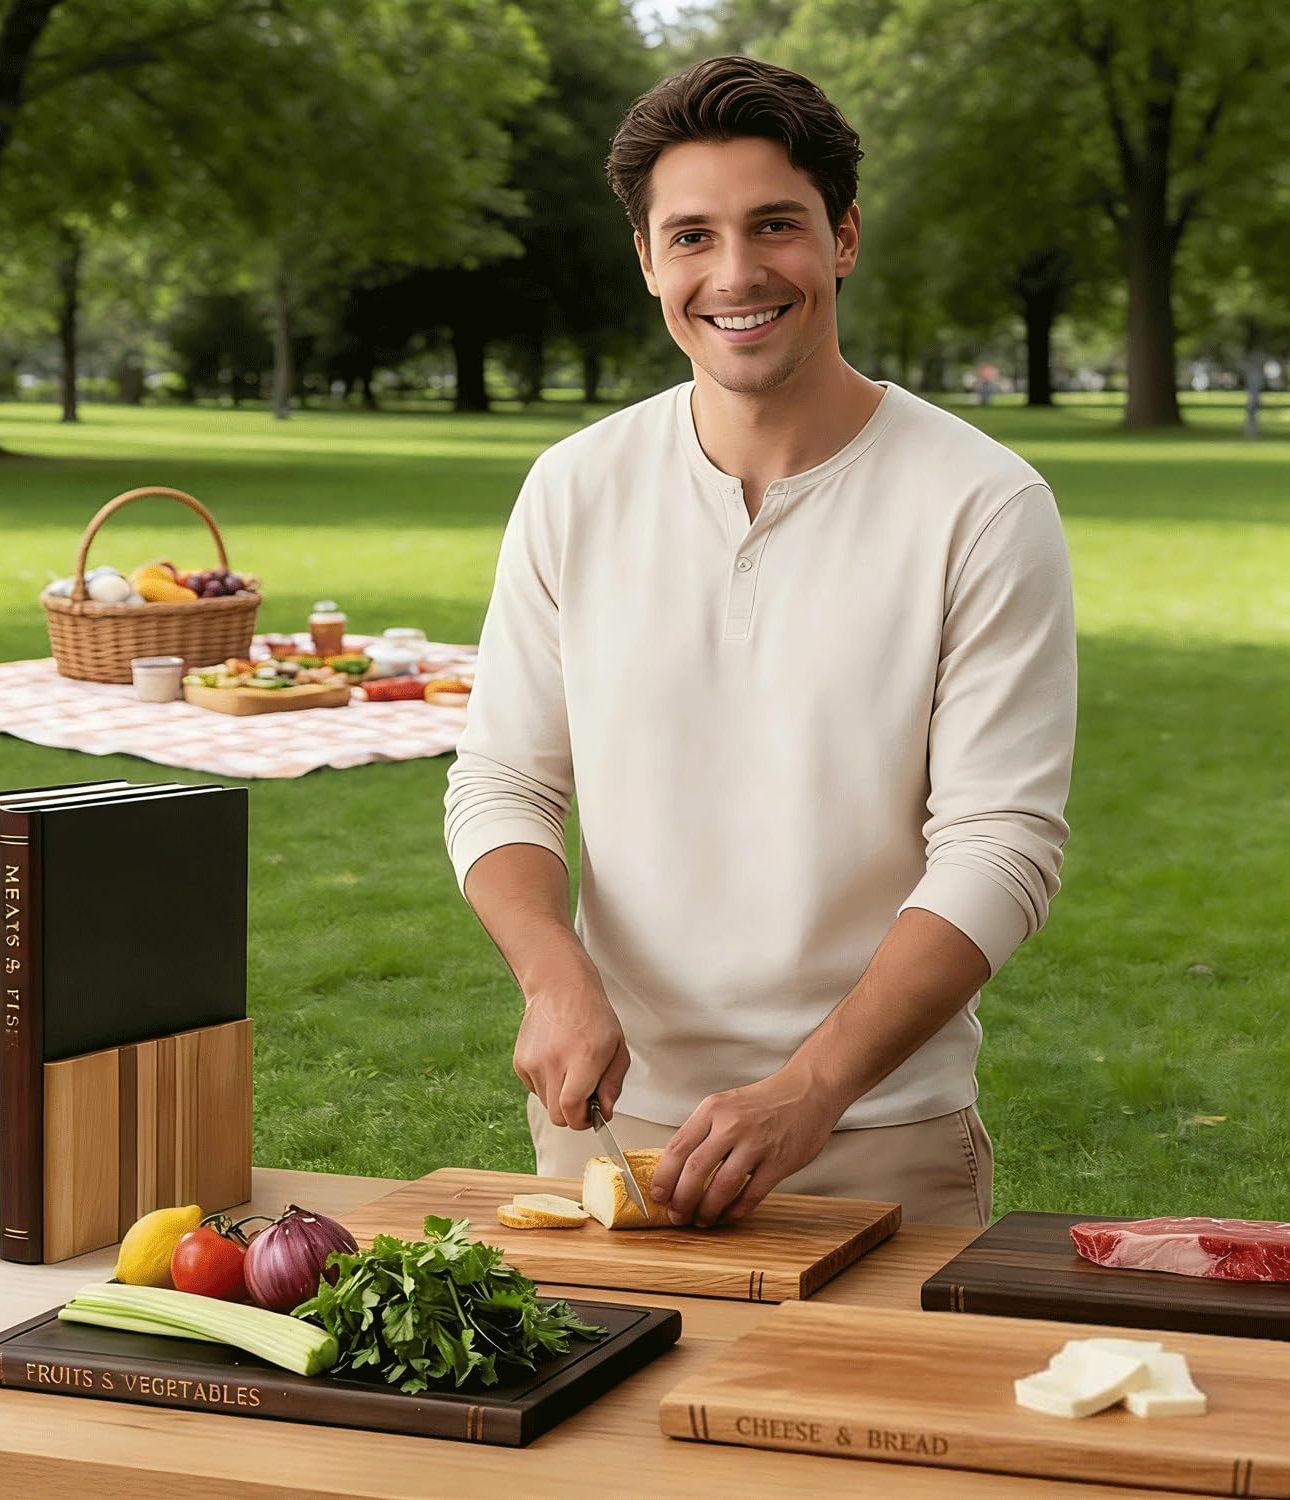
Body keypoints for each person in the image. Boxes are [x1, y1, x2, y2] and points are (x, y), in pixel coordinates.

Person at [442, 55, 1076, 1228]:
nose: (735, 275)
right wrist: (552, 974)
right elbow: (503, 778)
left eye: (774, 226)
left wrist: (811, 1089)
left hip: (878, 1133)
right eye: (691, 236)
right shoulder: (574, 488)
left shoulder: (983, 504)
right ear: (647, 260)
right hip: (610, 1130)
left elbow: (1001, 845)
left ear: (841, 237)